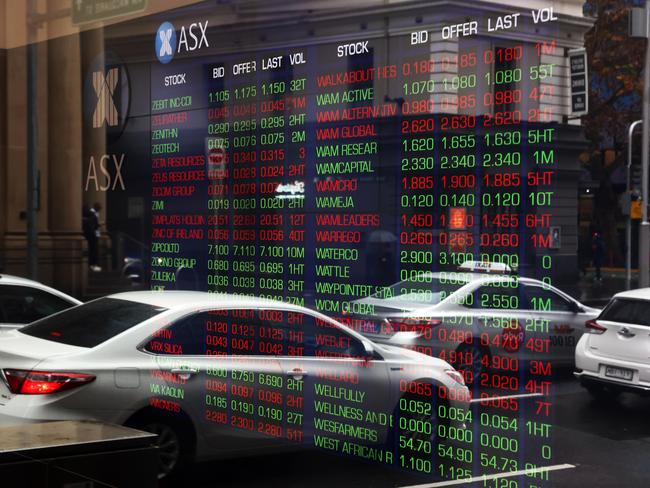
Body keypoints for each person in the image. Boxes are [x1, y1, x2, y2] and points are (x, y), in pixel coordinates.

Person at [83, 202, 102, 272]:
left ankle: (92, 265)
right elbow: (96, 226)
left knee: (92, 250)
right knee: (93, 250)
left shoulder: (87, 215)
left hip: (88, 234)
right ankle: (93, 265)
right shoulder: (93, 214)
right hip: (93, 234)